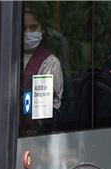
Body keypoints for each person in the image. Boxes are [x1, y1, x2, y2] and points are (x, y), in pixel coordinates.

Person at [21, 4, 63, 133]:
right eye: (24, 28)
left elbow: (51, 109)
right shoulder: (3, 55)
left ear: (42, 29)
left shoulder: (50, 63)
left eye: (33, 28)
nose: (28, 33)